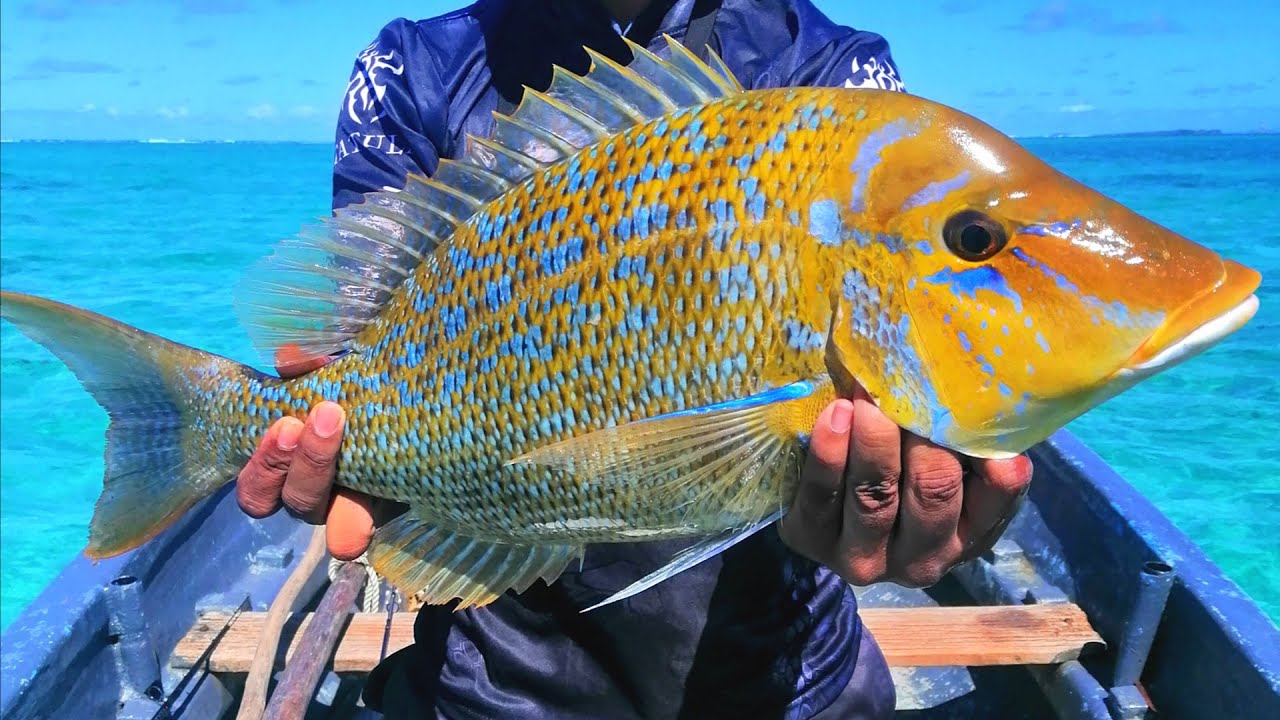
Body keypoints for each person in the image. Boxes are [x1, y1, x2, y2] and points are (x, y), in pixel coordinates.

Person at [235, 1, 1034, 717]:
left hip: (790, 680)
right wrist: (344, 447)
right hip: (503, 686)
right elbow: (350, 340)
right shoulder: (413, 73)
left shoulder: (831, 71)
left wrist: (936, 482)